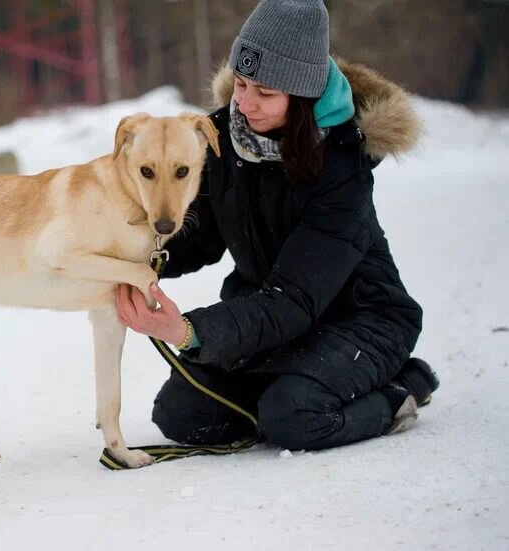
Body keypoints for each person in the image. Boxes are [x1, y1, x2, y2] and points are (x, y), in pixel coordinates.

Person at [116, 0, 439, 451]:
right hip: (272, 317)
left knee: (294, 417)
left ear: (302, 97)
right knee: (182, 414)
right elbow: (200, 237)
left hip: (361, 321)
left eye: (265, 93)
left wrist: (189, 332)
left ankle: (399, 388)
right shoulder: (221, 138)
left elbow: (294, 299)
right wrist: (132, 258)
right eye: (241, 83)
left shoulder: (344, 165)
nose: (244, 104)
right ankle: (290, 386)